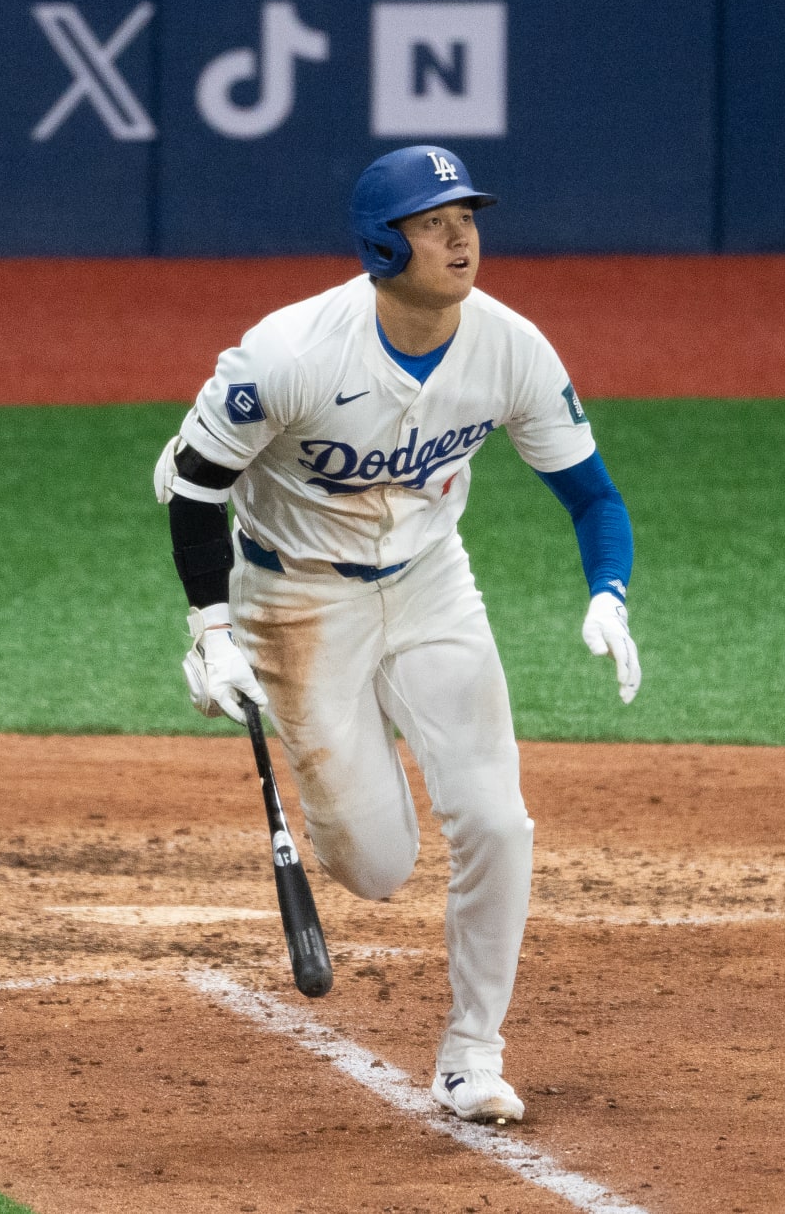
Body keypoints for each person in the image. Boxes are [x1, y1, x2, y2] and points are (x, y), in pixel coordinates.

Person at [153, 145, 639, 1124]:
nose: (460, 233)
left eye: (466, 213)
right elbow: (193, 484)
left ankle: (473, 1052)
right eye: (432, 220)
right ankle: (326, 733)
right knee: (377, 865)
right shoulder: (291, 353)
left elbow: (592, 494)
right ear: (384, 244)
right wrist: (210, 624)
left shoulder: (509, 346)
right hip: (296, 603)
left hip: (430, 586)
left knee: (499, 820)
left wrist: (609, 590)